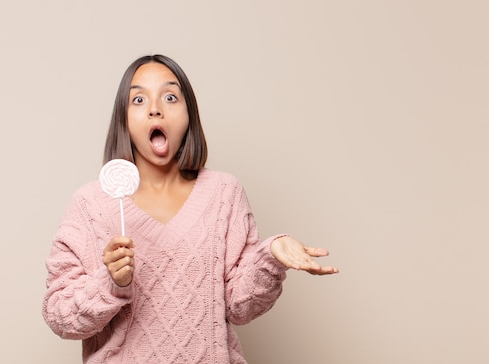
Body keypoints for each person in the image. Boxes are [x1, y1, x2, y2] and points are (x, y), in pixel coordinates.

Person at [42, 54, 339, 364]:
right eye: (139, 99)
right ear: (124, 119)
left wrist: (271, 257)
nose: (155, 108)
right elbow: (59, 316)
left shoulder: (224, 193)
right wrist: (111, 283)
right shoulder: (90, 204)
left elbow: (241, 307)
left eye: (170, 97)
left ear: (189, 115)